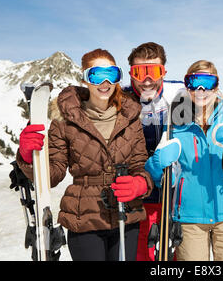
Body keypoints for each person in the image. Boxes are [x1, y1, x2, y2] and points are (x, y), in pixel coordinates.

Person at [16, 48, 153, 261]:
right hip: (84, 217)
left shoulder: (130, 117)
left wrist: (140, 184)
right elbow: (53, 175)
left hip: (126, 214)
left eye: (112, 75)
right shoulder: (65, 118)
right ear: (85, 78)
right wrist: (27, 156)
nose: (105, 82)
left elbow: (139, 164)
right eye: (97, 75)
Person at [144, 60, 223, 261]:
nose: (200, 89)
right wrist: (157, 164)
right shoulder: (176, 124)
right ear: (187, 87)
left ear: (216, 86)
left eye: (207, 82)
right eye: (193, 81)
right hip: (189, 218)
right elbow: (163, 179)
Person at [123, 42, 184, 261]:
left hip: (175, 194)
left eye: (154, 71)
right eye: (139, 72)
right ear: (131, 73)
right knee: (143, 254)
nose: (147, 79)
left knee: (175, 254)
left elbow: (213, 100)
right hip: (139, 196)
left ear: (164, 72)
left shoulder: (179, 92)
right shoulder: (120, 98)